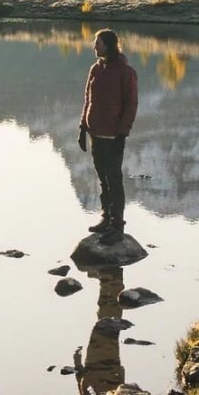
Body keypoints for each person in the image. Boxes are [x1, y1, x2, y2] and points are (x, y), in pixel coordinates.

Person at [78, 28, 138, 242]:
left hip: (113, 136)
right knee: (103, 179)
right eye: (95, 42)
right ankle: (106, 219)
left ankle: (117, 227)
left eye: (98, 43)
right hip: (95, 132)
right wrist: (82, 128)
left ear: (109, 45)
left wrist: (122, 134)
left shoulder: (126, 72)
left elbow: (131, 105)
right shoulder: (95, 69)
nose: (94, 46)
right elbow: (88, 99)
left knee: (114, 180)